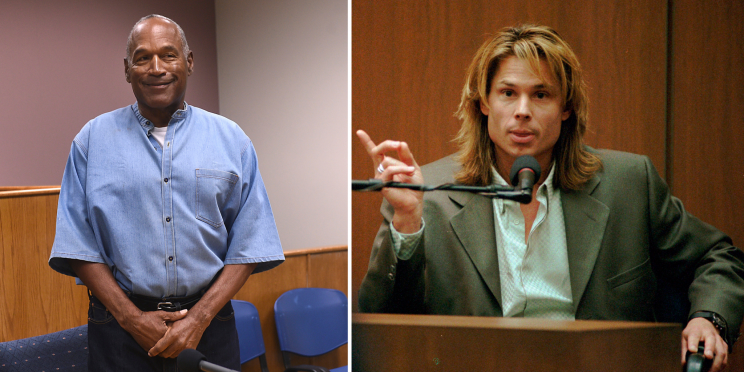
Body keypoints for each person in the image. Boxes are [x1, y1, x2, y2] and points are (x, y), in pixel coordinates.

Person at [356, 24, 744, 372]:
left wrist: (709, 318)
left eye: (541, 94)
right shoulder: (428, 192)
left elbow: (718, 256)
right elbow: (383, 324)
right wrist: (407, 223)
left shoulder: (628, 184)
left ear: (566, 108)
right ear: (483, 103)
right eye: (508, 93)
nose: (522, 111)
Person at [48, 14, 284, 371]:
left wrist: (199, 319)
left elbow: (251, 242)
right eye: (143, 58)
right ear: (127, 70)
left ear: (189, 62)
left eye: (169, 55)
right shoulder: (91, 141)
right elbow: (77, 245)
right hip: (119, 331)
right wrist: (131, 319)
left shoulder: (231, 139)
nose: (156, 68)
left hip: (210, 326)